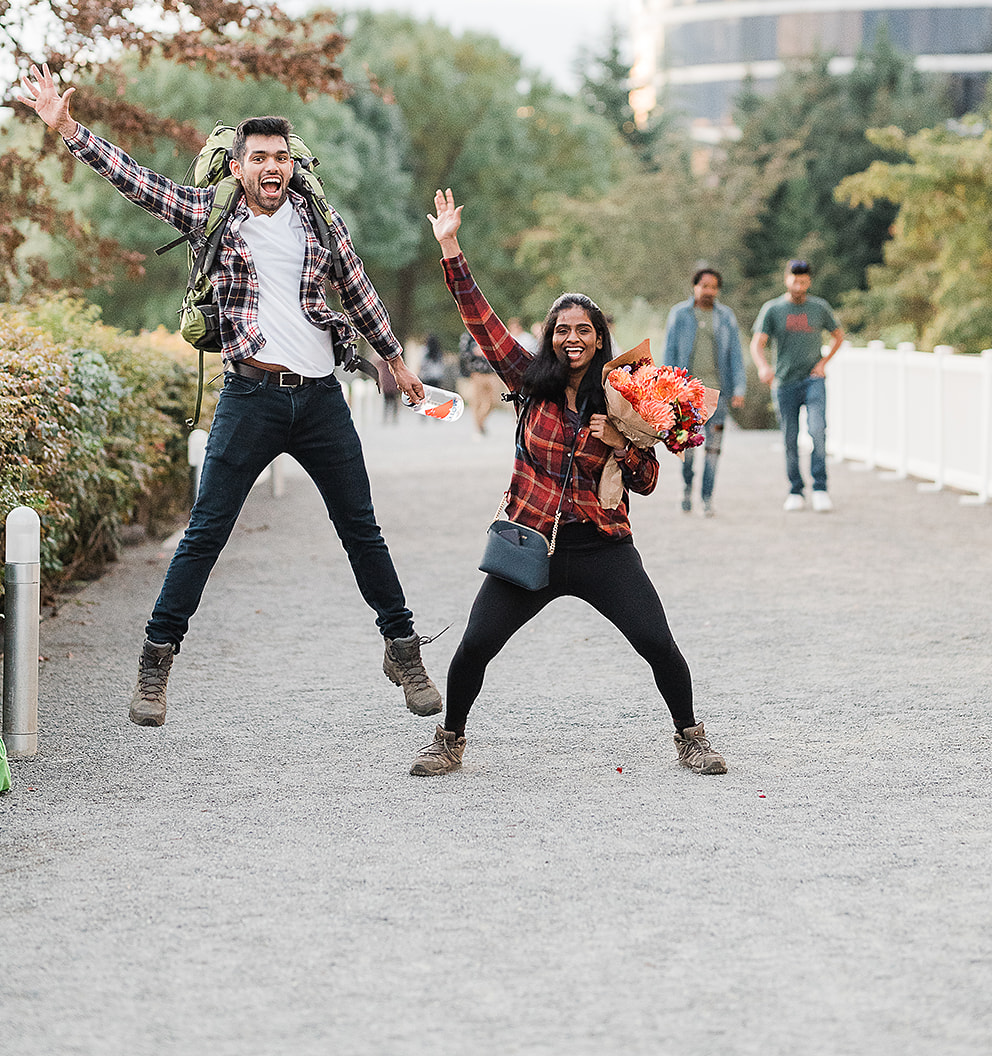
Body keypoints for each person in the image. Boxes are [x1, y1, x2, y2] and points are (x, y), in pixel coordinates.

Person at [18, 64, 442, 726]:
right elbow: (139, 183)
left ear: (291, 165)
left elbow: (359, 291)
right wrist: (69, 129)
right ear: (239, 166)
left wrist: (397, 362)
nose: (270, 167)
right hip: (251, 399)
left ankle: (402, 647)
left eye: (280, 157)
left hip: (321, 399)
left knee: (362, 529)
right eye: (259, 158)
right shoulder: (213, 213)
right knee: (206, 532)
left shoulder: (320, 224)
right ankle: (157, 660)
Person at [408, 187, 728, 779]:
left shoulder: (629, 397)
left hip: (602, 547)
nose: (572, 339)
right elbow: (482, 322)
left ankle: (691, 737)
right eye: (562, 330)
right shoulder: (530, 382)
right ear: (551, 337)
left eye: (584, 330)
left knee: (658, 644)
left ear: (600, 337)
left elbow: (650, 479)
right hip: (529, 544)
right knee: (474, 646)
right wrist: (450, 245)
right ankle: (449, 740)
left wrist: (619, 444)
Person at [751, 259, 845, 513]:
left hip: (813, 380)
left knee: (817, 431)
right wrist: (763, 367)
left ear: (809, 281)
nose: (798, 285)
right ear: (786, 279)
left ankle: (820, 488)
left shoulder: (819, 308)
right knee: (789, 438)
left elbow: (838, 335)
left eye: (803, 281)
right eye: (794, 280)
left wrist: (824, 362)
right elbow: (757, 344)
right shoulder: (773, 309)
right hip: (784, 382)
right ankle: (795, 490)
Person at [663, 266, 746, 516]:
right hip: (686, 396)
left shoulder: (725, 317)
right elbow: (669, 353)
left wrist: (739, 387)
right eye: (704, 286)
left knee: (713, 451)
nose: (708, 291)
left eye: (713, 287)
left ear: (718, 290)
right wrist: (665, 388)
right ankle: (687, 487)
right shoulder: (679, 315)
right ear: (694, 286)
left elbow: (735, 355)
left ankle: (707, 497)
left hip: (717, 397)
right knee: (686, 451)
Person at [459, 326, 505, 435]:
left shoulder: (491, 332)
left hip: (492, 373)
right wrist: (474, 352)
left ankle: (480, 422)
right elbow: (463, 354)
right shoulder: (468, 336)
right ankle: (478, 426)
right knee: (477, 401)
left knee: (494, 401)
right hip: (477, 373)